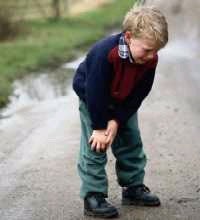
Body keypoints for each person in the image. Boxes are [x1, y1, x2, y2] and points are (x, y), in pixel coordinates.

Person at [73, 5, 168, 218]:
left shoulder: (149, 59)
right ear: (129, 36)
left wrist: (117, 120)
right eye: (147, 49)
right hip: (94, 100)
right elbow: (95, 91)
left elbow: (139, 94)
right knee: (97, 144)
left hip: (123, 101)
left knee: (131, 140)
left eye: (156, 51)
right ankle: (93, 195)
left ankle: (133, 187)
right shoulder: (105, 53)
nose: (152, 55)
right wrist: (100, 127)